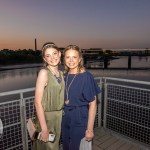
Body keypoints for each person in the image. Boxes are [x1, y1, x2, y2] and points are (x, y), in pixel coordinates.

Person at [62, 45, 101, 150]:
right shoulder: (63, 76)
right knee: (66, 145)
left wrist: (89, 129)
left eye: (74, 57)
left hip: (79, 117)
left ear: (79, 59)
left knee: (77, 146)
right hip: (64, 117)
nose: (71, 60)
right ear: (64, 59)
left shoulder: (86, 77)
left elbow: (93, 104)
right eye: (67, 57)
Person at [33, 42, 64, 150]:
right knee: (47, 146)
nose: (52, 57)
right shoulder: (44, 72)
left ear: (59, 54)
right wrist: (44, 129)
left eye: (54, 53)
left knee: (54, 145)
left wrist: (64, 101)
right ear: (45, 59)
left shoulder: (60, 73)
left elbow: (57, 93)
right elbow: (37, 102)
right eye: (48, 55)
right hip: (46, 118)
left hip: (58, 116)